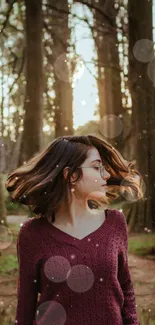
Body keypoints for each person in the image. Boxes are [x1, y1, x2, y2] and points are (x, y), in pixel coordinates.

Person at [5, 135, 143, 325]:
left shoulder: (115, 223)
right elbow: (25, 309)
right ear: (70, 175)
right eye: (96, 167)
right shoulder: (32, 233)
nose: (107, 175)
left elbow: (125, 289)